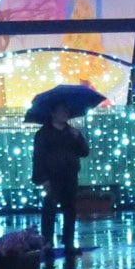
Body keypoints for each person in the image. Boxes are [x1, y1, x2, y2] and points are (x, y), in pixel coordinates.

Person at [33, 105, 90, 255]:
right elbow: (38, 158)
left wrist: (78, 137)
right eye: (61, 112)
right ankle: (47, 241)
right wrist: (43, 179)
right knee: (49, 209)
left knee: (70, 209)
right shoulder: (43, 134)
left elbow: (84, 152)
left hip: (70, 176)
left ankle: (68, 242)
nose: (65, 114)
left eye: (66, 111)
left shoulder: (71, 132)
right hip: (52, 177)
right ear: (53, 114)